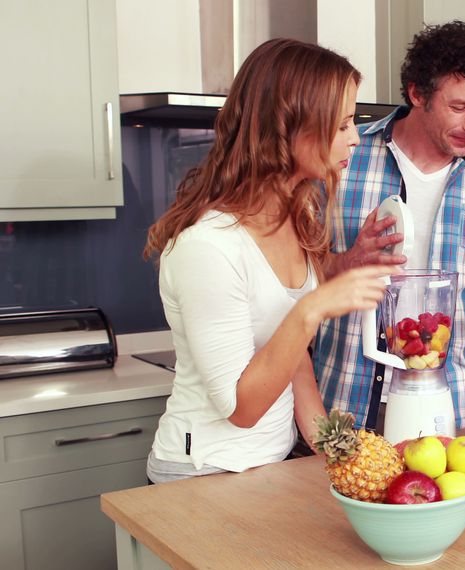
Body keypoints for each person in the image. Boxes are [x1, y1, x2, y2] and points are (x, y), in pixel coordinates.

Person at [142, 38, 396, 483]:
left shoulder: (297, 218)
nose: (355, 137)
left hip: (265, 471)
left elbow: (294, 363)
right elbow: (242, 409)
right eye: (342, 125)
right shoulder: (208, 247)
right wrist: (314, 307)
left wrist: (351, 458)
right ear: (287, 127)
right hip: (199, 477)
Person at [314, 21, 465, 432]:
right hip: (347, 406)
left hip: (456, 410)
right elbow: (296, 274)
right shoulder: (346, 157)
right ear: (417, 93)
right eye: (460, 107)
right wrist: (348, 262)